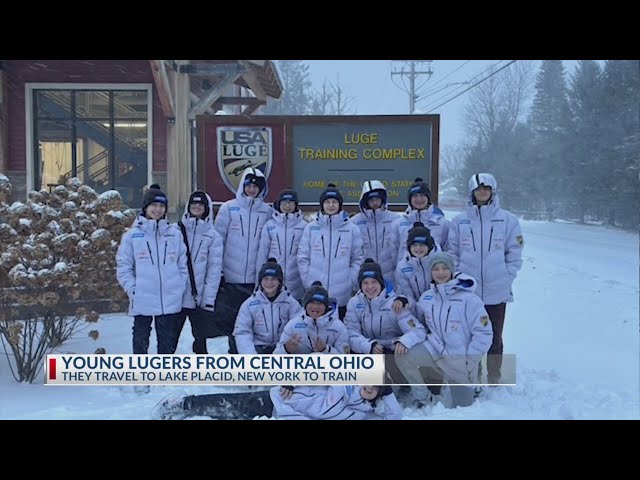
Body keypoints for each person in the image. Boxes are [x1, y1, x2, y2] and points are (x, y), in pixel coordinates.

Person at [448, 173, 523, 384]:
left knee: (494, 337)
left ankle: (495, 376)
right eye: (479, 189)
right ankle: (474, 374)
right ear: (472, 192)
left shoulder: (507, 220)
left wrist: (507, 276)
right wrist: (458, 277)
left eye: (486, 188)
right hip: (468, 292)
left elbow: (515, 252)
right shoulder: (460, 221)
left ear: (492, 192)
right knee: (470, 337)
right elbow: (452, 253)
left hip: (496, 290)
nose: (482, 192)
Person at [396, 252, 493, 408]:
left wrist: (470, 360)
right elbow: (420, 326)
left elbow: (484, 333)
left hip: (460, 360)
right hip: (436, 351)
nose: (440, 273)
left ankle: (474, 386)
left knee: (461, 408)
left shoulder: (469, 299)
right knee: (403, 356)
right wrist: (406, 338)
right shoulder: (427, 297)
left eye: (445, 268)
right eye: (436, 269)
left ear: (452, 271)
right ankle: (423, 398)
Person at [116, 184, 188, 363]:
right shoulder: (132, 236)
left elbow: (182, 263)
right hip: (143, 296)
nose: (158, 210)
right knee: (141, 336)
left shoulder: (174, 234)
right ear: (146, 207)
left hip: (169, 297)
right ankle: (141, 373)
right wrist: (133, 289)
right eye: (154, 205)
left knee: (166, 338)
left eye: (161, 206)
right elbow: (124, 266)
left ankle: (163, 374)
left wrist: (179, 285)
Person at [213, 167, 273, 353]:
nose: (252, 189)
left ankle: (252, 357)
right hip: (232, 277)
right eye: (249, 185)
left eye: (257, 186)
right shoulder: (228, 208)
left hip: (256, 280)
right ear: (243, 186)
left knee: (255, 320)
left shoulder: (266, 211)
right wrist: (219, 272)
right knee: (234, 320)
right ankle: (234, 354)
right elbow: (218, 242)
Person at [297, 183, 364, 319]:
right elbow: (303, 258)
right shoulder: (311, 228)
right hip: (315, 293)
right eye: (327, 202)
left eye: (334, 202)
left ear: (340, 205)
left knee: (338, 334)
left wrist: (350, 281)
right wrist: (308, 281)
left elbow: (358, 258)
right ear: (322, 205)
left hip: (342, 295)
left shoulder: (351, 229)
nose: (331, 205)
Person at [152, 384, 402, 420]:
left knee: (233, 415)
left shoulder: (362, 413)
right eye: (369, 382)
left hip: (284, 414)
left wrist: (389, 394)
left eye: (375, 389)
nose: (368, 388)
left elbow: (395, 418)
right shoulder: (342, 379)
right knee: (230, 405)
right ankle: (184, 404)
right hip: (280, 398)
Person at [174, 190, 223, 354]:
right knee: (169, 342)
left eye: (200, 204)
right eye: (193, 203)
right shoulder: (175, 231)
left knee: (201, 342)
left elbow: (214, 271)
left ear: (206, 208)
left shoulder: (213, 237)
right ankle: (162, 375)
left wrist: (208, 300)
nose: (196, 207)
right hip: (177, 298)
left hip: (198, 299)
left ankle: (203, 374)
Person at [345, 258, 426, 355]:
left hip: (393, 349)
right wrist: (368, 346)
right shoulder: (354, 303)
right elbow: (351, 333)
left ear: (381, 283)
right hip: (368, 349)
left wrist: (404, 342)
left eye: (374, 282)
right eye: (365, 283)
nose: (370, 287)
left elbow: (418, 330)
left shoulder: (395, 303)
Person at [233, 258, 305, 354]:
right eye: (265, 279)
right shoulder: (249, 304)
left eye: (273, 279)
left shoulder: (290, 303)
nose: (269, 283)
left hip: (283, 348)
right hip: (258, 348)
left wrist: (284, 349)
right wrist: (250, 356)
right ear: (260, 281)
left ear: (280, 281)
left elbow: (298, 327)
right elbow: (242, 332)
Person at [256, 188, 307, 301]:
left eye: (290, 203)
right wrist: (258, 281)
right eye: (284, 203)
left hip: (296, 281)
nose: (287, 206)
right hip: (273, 281)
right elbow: (262, 253)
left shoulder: (304, 226)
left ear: (296, 205)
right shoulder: (270, 226)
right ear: (279, 204)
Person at [274, 281, 350, 354]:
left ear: (326, 307)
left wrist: (326, 350)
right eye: (312, 302)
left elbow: (345, 359)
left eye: (320, 303)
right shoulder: (293, 324)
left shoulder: (338, 327)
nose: (315, 307)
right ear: (305, 305)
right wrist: (286, 349)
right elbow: (275, 356)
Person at [350, 180, 401, 286]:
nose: (375, 203)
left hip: (391, 277)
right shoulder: (354, 223)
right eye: (371, 200)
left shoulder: (396, 220)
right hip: (365, 278)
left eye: (377, 199)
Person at [394, 177, 450, 263]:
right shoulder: (398, 223)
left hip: (433, 273)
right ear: (410, 199)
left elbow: (447, 251)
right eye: (415, 196)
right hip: (406, 273)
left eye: (422, 195)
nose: (419, 199)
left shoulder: (442, 223)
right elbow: (394, 252)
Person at [395, 222, 442, 308]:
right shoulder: (403, 266)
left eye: (422, 245)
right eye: (414, 245)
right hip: (415, 309)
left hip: (437, 309)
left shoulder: (440, 262)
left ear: (429, 245)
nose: (418, 248)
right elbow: (407, 296)